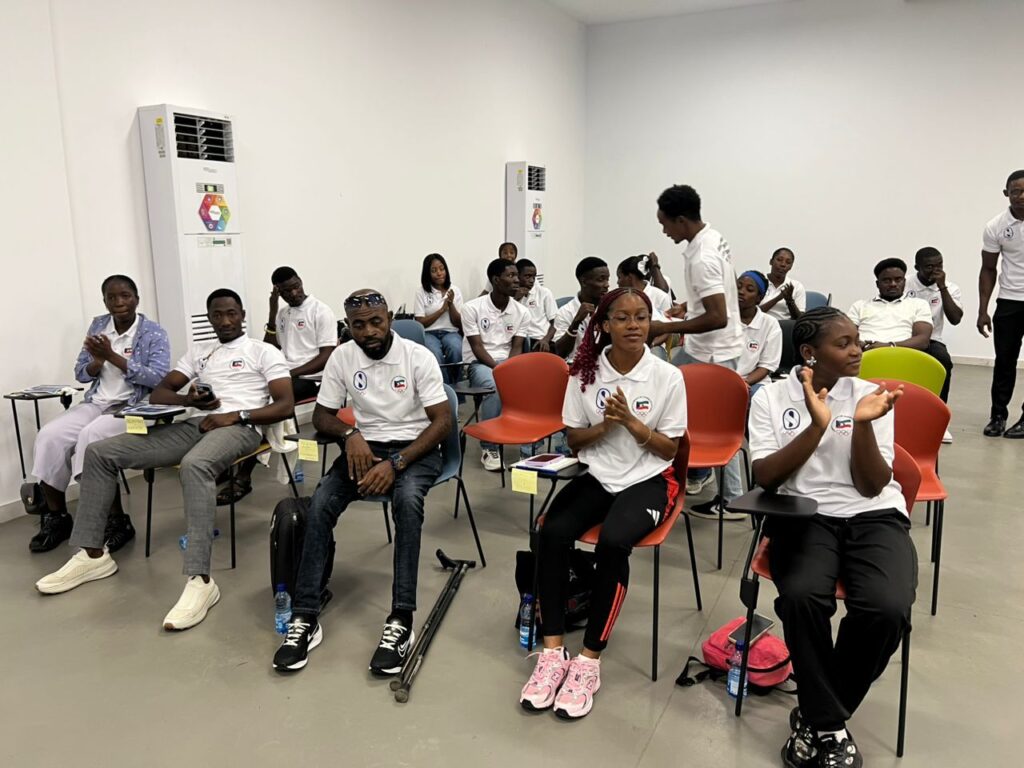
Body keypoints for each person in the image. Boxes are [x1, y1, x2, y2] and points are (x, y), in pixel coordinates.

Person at [35, 289, 295, 632]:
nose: (225, 321)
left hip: (241, 427)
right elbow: (160, 393)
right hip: (196, 423)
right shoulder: (200, 352)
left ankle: (201, 581)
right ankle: (93, 555)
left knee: (196, 465)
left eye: (232, 313)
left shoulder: (263, 351)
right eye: (218, 315)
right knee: (99, 452)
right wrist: (191, 400)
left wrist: (237, 415)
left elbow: (285, 404)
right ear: (210, 318)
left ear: (242, 314)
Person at [748, 306, 916, 768]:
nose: (858, 350)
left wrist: (862, 423)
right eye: (844, 343)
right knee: (801, 598)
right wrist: (817, 425)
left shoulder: (871, 396)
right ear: (809, 352)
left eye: (857, 340)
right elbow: (767, 477)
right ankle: (831, 726)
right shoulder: (770, 398)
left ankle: (817, 716)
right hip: (805, 514)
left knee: (887, 608)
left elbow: (872, 485)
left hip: (874, 515)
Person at [519, 287, 687, 720]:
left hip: (649, 479)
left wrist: (632, 423)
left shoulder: (667, 376)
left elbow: (670, 450)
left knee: (613, 542)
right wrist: (605, 427)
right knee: (551, 532)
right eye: (623, 318)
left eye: (642, 317)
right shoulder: (584, 373)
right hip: (599, 475)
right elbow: (575, 439)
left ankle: (589, 660)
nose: (634, 325)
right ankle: (552, 652)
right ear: (605, 325)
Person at [273, 289, 450, 675]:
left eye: (375, 322)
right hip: (366, 448)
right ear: (348, 326)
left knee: (407, 503)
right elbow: (322, 415)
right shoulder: (342, 356)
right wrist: (349, 434)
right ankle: (305, 615)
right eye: (358, 325)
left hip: (415, 450)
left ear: (389, 319)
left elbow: (442, 422)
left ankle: (401, 619)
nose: (368, 331)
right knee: (320, 503)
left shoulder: (417, 357)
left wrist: (397, 463)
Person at [21, 275, 170, 553]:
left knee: (91, 438)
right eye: (111, 297)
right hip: (97, 403)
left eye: (125, 296)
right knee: (50, 436)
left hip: (136, 409)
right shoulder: (99, 326)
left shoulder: (153, 332)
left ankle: (118, 521)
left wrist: (113, 357)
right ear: (104, 301)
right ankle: (58, 517)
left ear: (136, 299)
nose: (119, 302)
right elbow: (81, 373)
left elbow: (158, 379)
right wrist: (97, 362)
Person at [651, 184, 743, 496]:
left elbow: (718, 316)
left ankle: (731, 498)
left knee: (720, 424)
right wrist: (688, 306)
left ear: (681, 220)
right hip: (709, 348)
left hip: (715, 351)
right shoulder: (712, 237)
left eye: (664, 223)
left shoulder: (702, 257)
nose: (664, 231)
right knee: (666, 389)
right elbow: (720, 291)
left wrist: (666, 326)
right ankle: (693, 472)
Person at [688, 270, 781, 518]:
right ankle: (727, 495)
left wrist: (743, 383)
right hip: (721, 384)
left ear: (760, 298)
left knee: (753, 414)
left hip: (755, 383)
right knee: (719, 420)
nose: (741, 292)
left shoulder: (769, 325)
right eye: (738, 286)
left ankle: (753, 492)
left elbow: (767, 366)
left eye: (749, 289)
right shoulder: (721, 319)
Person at [461, 258, 529, 470]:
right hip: (479, 363)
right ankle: (489, 447)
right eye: (511, 275)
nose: (517, 280)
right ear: (496, 280)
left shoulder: (522, 312)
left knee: (532, 387)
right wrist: (500, 371)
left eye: (517, 275)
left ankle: (528, 451)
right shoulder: (471, 308)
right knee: (494, 385)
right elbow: (477, 347)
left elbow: (517, 347)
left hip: (508, 363)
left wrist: (508, 369)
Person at [978, 170, 1024, 438]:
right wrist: (983, 309)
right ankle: (998, 416)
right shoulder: (995, 226)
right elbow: (988, 269)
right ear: (1006, 194)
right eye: (1016, 191)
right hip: (1009, 301)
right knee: (1005, 361)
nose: (1021, 196)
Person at [264, 266, 338, 402]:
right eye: (287, 291)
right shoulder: (282, 313)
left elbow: (326, 356)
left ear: (300, 281)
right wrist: (272, 313)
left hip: (312, 377)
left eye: (296, 286)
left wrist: (290, 373)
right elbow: (270, 349)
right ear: (278, 292)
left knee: (277, 394)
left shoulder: (320, 311)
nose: (294, 293)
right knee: (255, 387)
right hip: (288, 374)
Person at [904, 247, 962, 404]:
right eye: (929, 266)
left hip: (932, 339)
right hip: (903, 336)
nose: (936, 270)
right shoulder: (904, 283)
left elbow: (955, 319)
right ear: (917, 267)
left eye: (939, 265)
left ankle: (939, 406)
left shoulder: (950, 288)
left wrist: (942, 288)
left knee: (943, 360)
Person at [847, 258, 932, 352]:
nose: (893, 284)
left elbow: (922, 341)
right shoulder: (860, 305)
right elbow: (846, 335)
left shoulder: (919, 304)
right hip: (864, 353)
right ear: (877, 284)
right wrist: (858, 344)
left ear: (904, 282)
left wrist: (889, 346)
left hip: (902, 353)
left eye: (898, 280)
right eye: (887, 280)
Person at [413, 253, 464, 386]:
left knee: (456, 348)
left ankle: (457, 387)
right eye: (434, 270)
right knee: (434, 353)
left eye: (442, 269)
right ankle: (444, 389)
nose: (439, 273)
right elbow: (420, 323)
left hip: (450, 332)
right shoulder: (421, 292)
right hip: (429, 333)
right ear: (427, 273)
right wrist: (441, 310)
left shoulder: (455, 290)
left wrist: (450, 304)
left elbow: (458, 322)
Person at [552, 257, 610, 361]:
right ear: (584, 282)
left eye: (607, 279)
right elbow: (560, 353)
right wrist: (576, 322)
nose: (607, 285)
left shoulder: (610, 308)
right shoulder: (565, 312)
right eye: (601, 280)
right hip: (575, 366)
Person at [515, 258, 556, 352]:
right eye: (527, 276)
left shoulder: (544, 293)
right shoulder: (510, 295)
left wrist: (546, 340)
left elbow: (556, 323)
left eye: (534, 277)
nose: (532, 280)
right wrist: (516, 299)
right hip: (519, 340)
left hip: (541, 339)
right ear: (517, 276)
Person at [760, 247, 806, 320]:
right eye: (779, 260)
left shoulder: (796, 286)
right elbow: (751, 313)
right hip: (760, 324)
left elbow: (800, 319)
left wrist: (790, 300)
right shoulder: (759, 281)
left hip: (784, 326)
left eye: (788, 262)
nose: (783, 264)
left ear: (791, 267)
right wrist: (778, 298)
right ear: (771, 261)